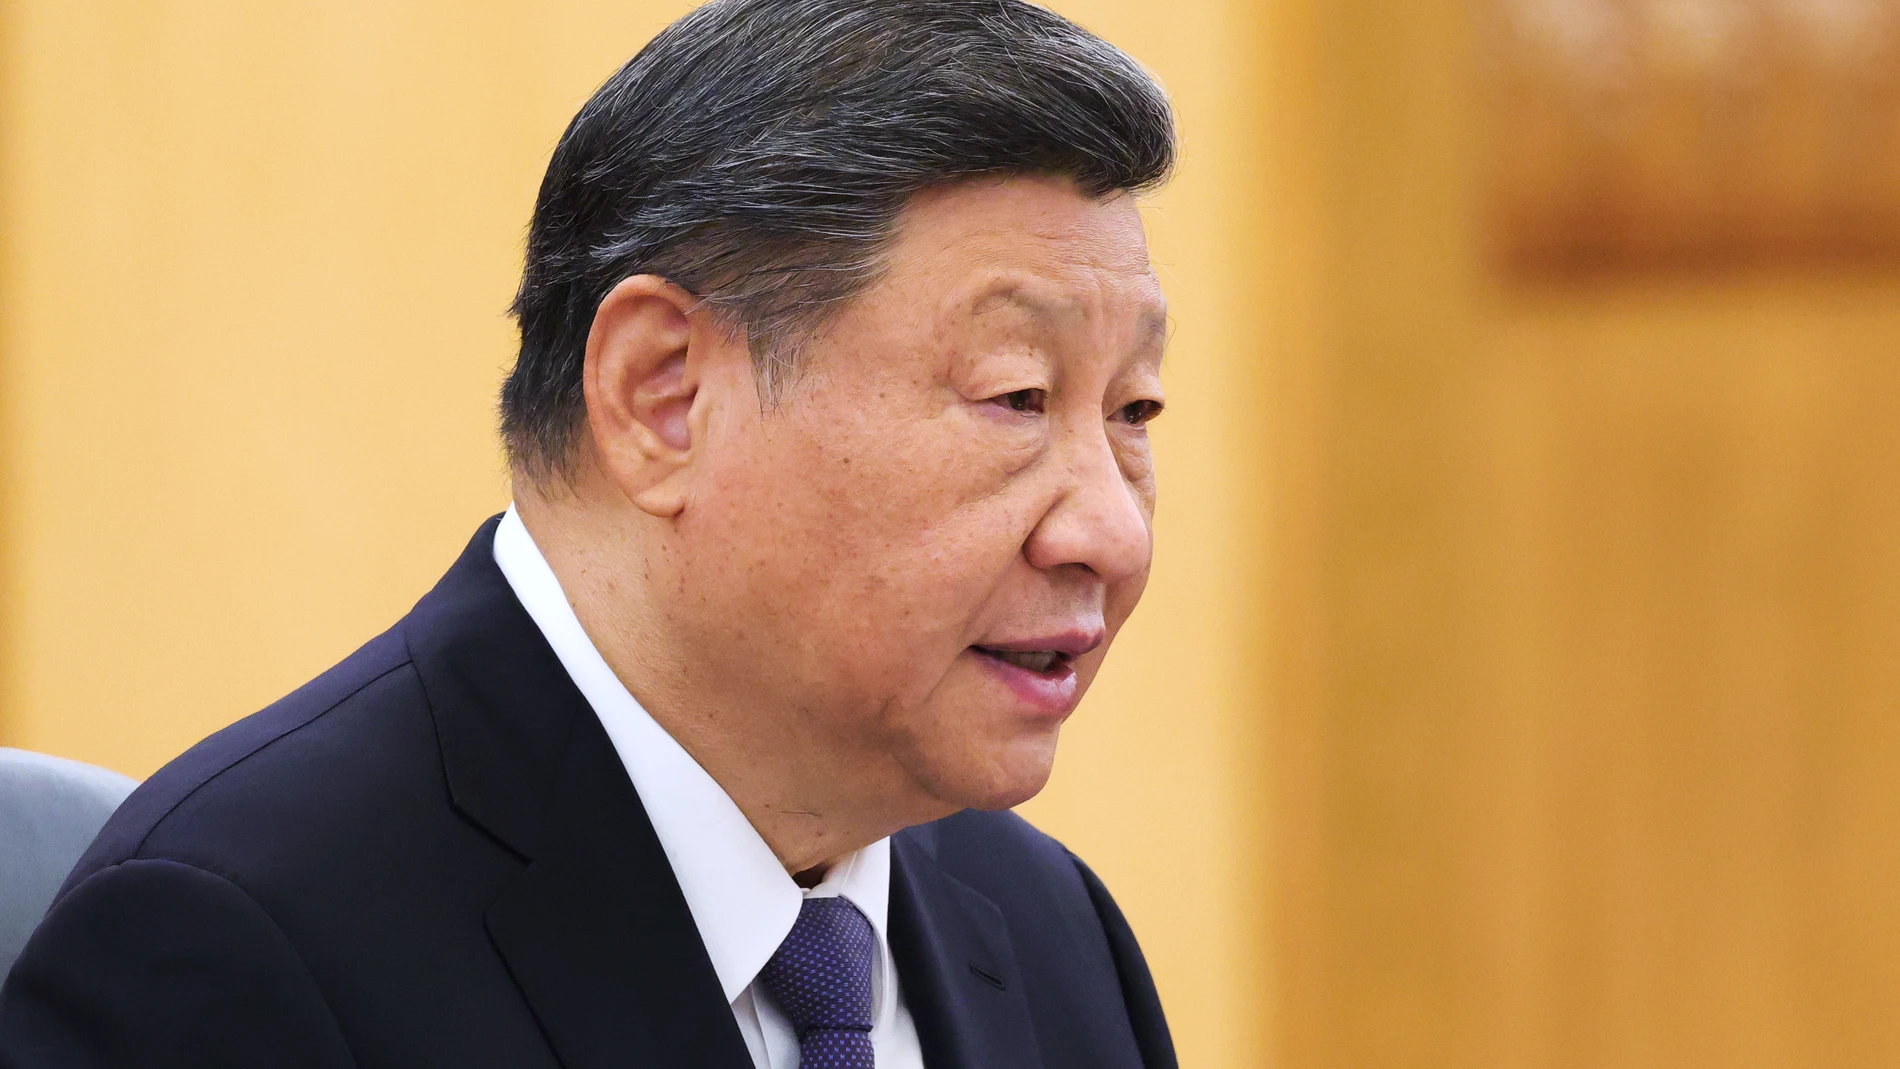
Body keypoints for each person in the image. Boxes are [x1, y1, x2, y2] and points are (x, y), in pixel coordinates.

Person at [0, 1, 1178, 1065]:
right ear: (664, 394)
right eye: (1017, 396)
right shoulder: (239, 948)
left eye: (1133, 412)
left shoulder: (1051, 934)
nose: (1110, 533)